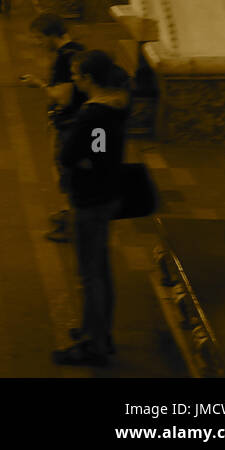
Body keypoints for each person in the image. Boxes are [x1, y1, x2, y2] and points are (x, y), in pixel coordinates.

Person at [52, 51, 130, 367]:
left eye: (77, 74)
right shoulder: (116, 106)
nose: (73, 79)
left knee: (90, 273)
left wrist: (79, 159)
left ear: (90, 79)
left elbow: (75, 155)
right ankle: (96, 330)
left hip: (90, 199)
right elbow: (98, 152)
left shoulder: (94, 116)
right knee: (100, 270)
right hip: (106, 194)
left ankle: (95, 344)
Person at [21, 14, 87, 242]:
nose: (38, 43)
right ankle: (71, 214)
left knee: (68, 173)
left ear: (51, 36)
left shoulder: (63, 59)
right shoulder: (78, 49)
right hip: (80, 123)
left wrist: (38, 84)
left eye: (40, 38)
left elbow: (64, 97)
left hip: (70, 125)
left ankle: (72, 225)